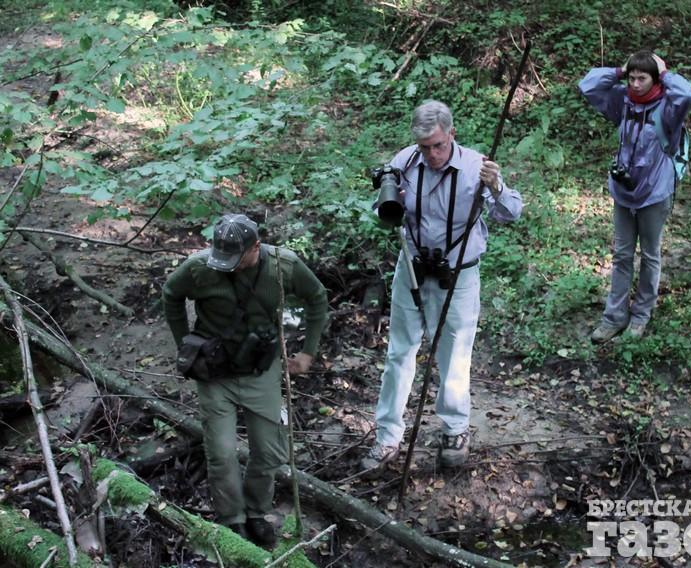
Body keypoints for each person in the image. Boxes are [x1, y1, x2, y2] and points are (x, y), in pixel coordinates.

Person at [361, 100, 523, 471]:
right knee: (399, 352)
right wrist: (390, 204)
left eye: (438, 145)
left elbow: (512, 213)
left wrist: (496, 186)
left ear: (452, 134)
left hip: (458, 273)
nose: (432, 154)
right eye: (425, 147)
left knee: (454, 355)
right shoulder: (405, 162)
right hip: (412, 267)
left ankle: (454, 429)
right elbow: (381, 213)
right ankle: (387, 436)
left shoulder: (476, 167)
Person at [162, 213, 328, 546]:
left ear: (256, 247)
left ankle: (256, 511)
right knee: (222, 452)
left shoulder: (283, 267)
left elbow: (317, 297)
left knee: (269, 451)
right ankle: (232, 519)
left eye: (235, 258)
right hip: (214, 372)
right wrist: (184, 345)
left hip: (260, 371)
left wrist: (308, 353)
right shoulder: (199, 267)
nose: (228, 266)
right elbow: (170, 294)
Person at [579, 51, 691, 342]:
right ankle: (614, 317)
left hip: (654, 192)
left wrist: (665, 73)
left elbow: (687, 95)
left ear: (655, 79)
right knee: (622, 255)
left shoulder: (668, 107)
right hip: (624, 191)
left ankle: (641, 316)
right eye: (631, 78)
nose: (635, 84)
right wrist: (619, 71)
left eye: (642, 78)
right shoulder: (622, 100)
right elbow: (588, 85)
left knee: (650, 255)